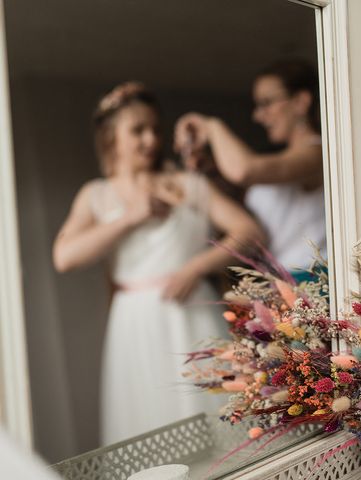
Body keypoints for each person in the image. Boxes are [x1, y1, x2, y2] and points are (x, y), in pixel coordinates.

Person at [53, 82, 265, 444]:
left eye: (154, 128)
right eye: (138, 130)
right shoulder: (96, 195)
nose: (150, 139)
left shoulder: (189, 184)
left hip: (192, 312)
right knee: (145, 419)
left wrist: (195, 267)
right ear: (111, 138)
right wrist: (129, 218)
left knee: (213, 414)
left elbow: (250, 231)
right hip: (135, 323)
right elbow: (64, 257)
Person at [174, 60, 326, 281]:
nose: (258, 116)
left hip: (311, 281)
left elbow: (244, 170)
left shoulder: (317, 152)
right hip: (279, 281)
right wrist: (212, 170)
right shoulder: (279, 162)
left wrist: (212, 126)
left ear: (300, 102)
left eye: (267, 103)